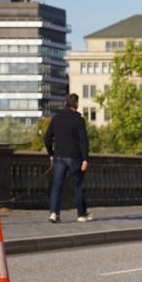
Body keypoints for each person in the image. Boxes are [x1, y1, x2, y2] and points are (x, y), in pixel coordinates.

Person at [44, 93, 91, 223]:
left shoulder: (56, 118)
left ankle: (54, 213)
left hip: (59, 156)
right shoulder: (79, 120)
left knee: (57, 186)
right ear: (76, 104)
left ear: (66, 103)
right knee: (77, 186)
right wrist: (85, 159)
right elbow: (83, 141)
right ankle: (81, 214)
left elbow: (47, 138)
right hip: (75, 157)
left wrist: (51, 153)